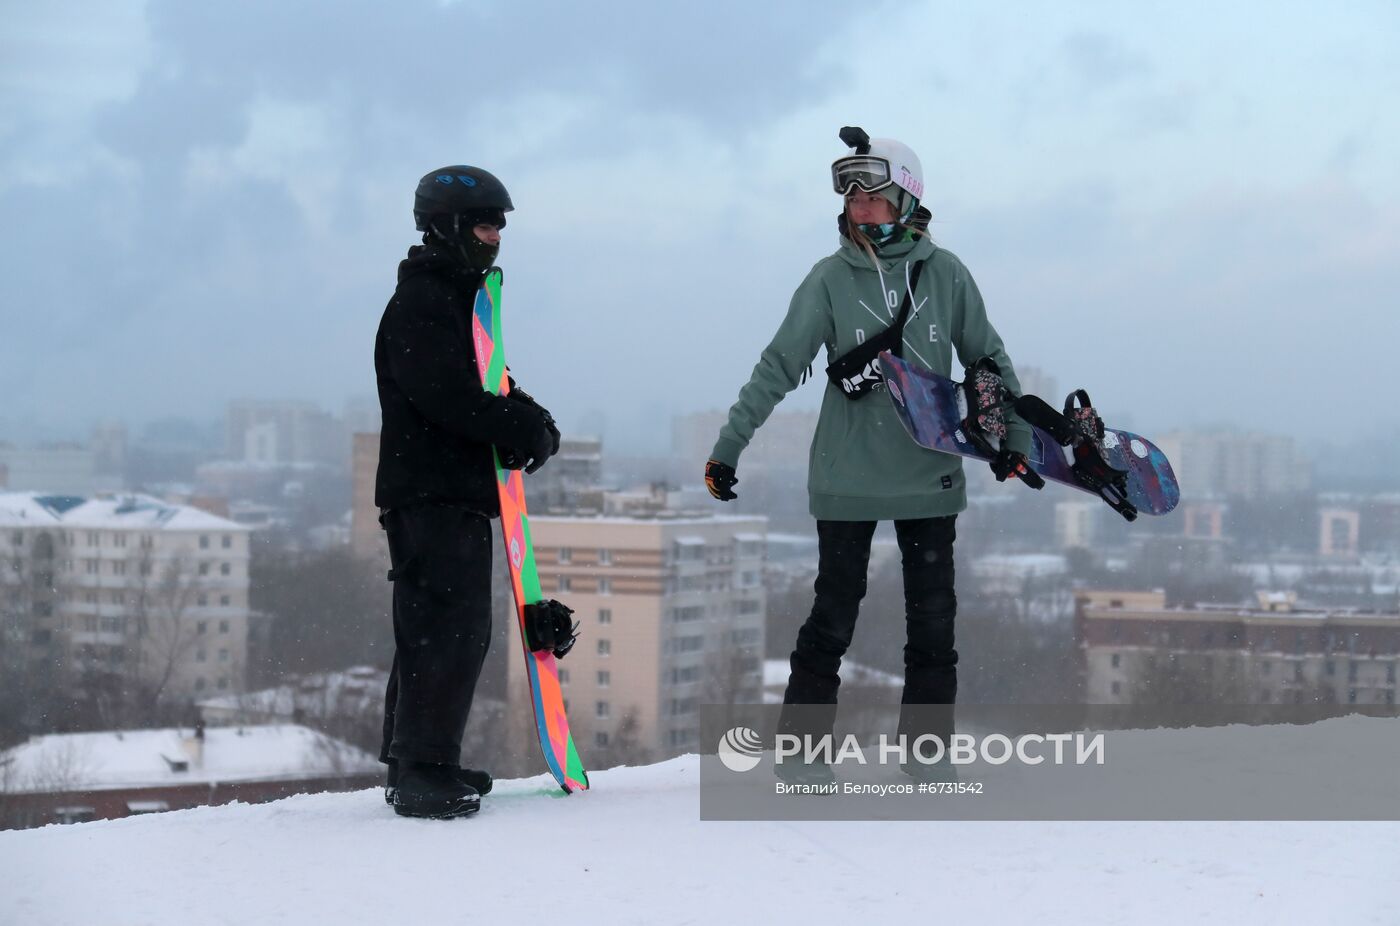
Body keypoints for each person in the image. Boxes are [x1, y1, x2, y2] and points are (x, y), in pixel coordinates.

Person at [705, 128, 1034, 783]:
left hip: (929, 473)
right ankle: (801, 760)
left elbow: (988, 359)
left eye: (872, 190)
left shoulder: (945, 275)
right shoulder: (828, 281)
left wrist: (1017, 442)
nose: (858, 201)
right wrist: (727, 447)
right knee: (831, 617)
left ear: (905, 197)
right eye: (850, 192)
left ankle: (927, 761)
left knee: (934, 627)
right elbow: (778, 366)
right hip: (847, 477)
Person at [375, 165, 560, 818]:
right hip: (428, 491)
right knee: (445, 630)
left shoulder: (461, 302)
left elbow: (495, 382)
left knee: (444, 628)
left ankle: (419, 761)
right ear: (450, 226)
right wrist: (518, 424)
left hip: (450, 491)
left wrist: (534, 422)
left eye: (500, 226)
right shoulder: (423, 304)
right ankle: (421, 769)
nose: (496, 237)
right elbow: (449, 397)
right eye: (485, 224)